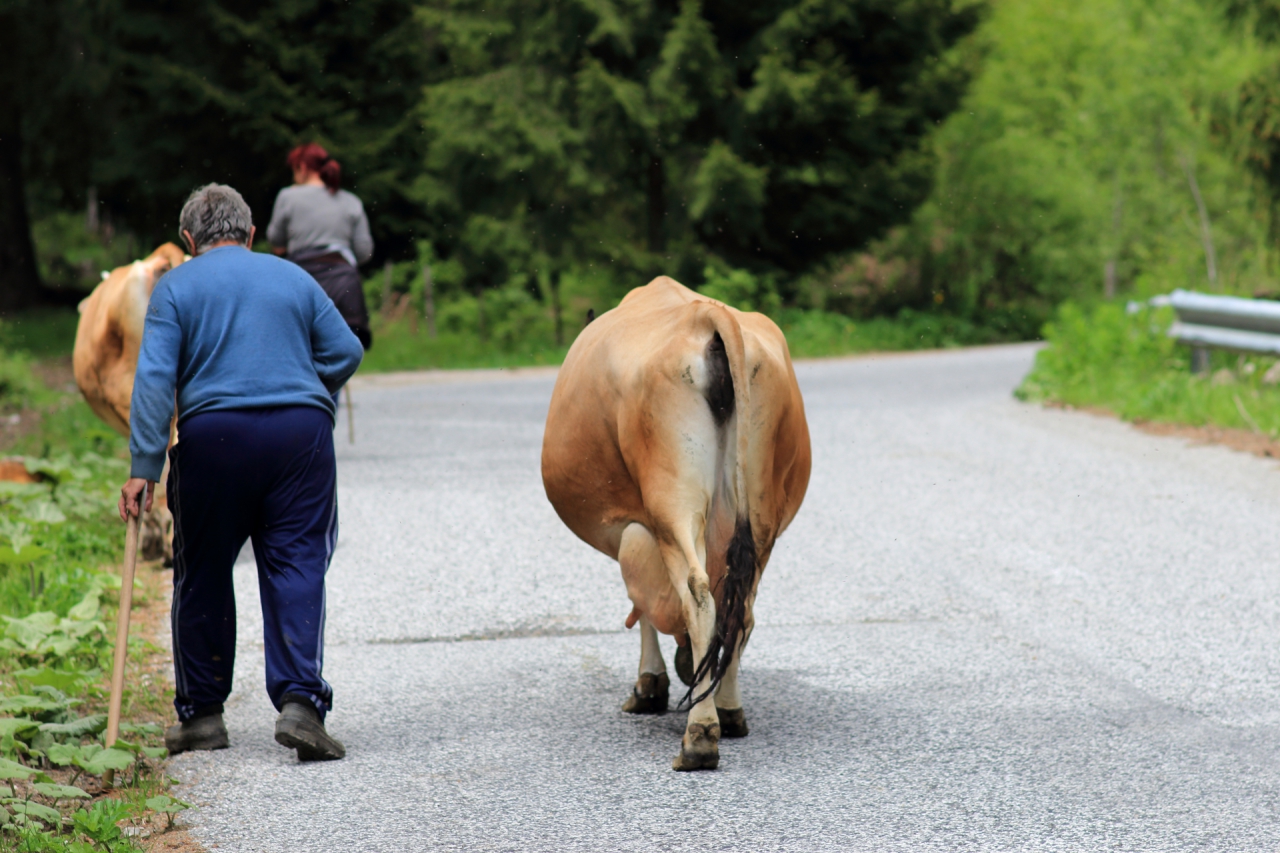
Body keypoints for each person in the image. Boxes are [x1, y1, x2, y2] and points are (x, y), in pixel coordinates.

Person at [119, 184, 364, 762]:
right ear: (251, 234)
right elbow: (346, 351)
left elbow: (155, 380)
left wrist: (143, 467)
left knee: (202, 568)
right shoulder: (293, 278)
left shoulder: (175, 287)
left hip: (214, 440)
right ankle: (302, 703)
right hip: (300, 439)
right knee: (298, 560)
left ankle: (202, 717)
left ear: (188, 241)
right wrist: (306, 389)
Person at [266, 143, 374, 353]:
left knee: (302, 345)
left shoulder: (288, 197)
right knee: (341, 350)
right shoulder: (351, 201)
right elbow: (364, 251)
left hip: (302, 280)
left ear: (303, 167)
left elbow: (275, 240)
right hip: (344, 284)